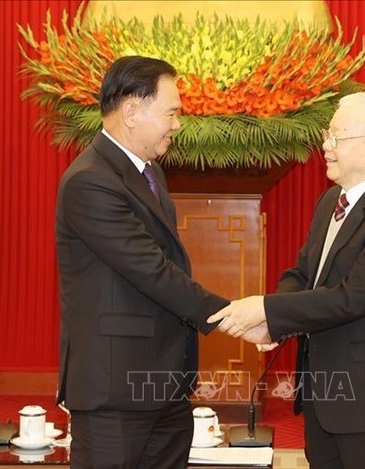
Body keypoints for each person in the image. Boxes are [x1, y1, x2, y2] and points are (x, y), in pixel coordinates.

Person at [55, 56, 266, 468]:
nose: (177, 124)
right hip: (116, 389)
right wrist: (231, 316)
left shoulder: (149, 172)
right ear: (131, 110)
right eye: (171, 112)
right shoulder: (90, 181)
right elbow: (151, 270)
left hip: (162, 383)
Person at [209, 92, 365, 469]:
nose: (324, 146)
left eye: (335, 137)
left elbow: (352, 298)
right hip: (325, 393)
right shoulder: (331, 201)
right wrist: (274, 325)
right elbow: (303, 275)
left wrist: (264, 309)